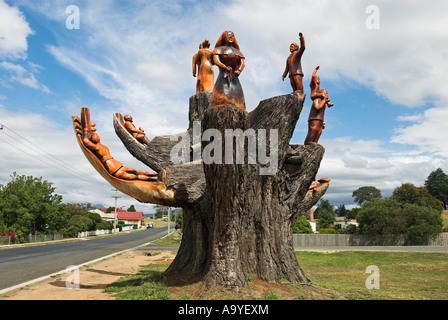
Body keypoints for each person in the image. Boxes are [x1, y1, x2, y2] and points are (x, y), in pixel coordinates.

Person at [82, 122, 158, 181]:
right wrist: (87, 131)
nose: (97, 136)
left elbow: (86, 141)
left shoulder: (98, 146)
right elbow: (86, 141)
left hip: (113, 165)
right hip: (114, 165)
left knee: (134, 174)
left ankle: (154, 177)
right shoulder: (101, 146)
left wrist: (86, 132)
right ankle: (155, 176)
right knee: (134, 173)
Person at [210, 31, 246, 110]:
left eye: (232, 35)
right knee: (221, 98)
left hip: (235, 79)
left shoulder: (238, 52)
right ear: (223, 37)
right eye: (228, 35)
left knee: (238, 101)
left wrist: (239, 70)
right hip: (223, 78)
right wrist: (224, 67)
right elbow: (216, 61)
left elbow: (242, 63)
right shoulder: (218, 49)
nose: (231, 37)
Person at [304, 66, 333, 145]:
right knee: (313, 130)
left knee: (319, 131)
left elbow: (321, 111)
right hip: (314, 118)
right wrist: (315, 70)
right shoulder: (314, 90)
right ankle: (308, 142)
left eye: (319, 79)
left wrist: (322, 121)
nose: (318, 79)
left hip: (319, 119)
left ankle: (315, 142)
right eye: (317, 78)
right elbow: (317, 107)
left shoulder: (321, 98)